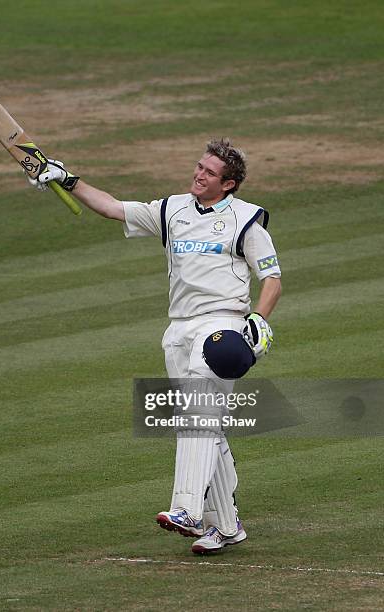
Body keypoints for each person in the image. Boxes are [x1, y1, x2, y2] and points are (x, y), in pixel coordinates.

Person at [27, 139, 282, 554]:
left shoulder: (246, 220)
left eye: (210, 173)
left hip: (222, 327)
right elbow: (113, 208)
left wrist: (259, 319)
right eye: (199, 166)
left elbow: (272, 279)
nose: (199, 175)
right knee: (204, 425)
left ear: (229, 183)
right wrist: (68, 180)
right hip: (178, 329)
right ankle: (227, 525)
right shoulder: (172, 209)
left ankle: (187, 510)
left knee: (196, 412)